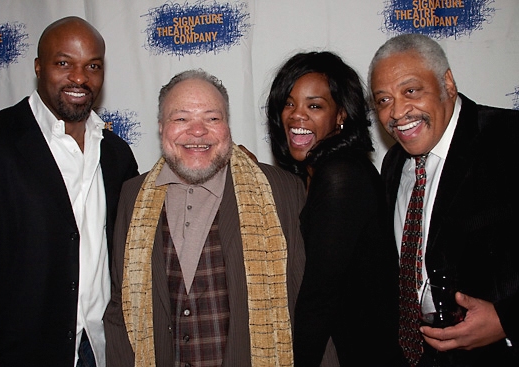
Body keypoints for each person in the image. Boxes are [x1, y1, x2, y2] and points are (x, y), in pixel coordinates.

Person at [103, 69, 337, 366]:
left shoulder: (282, 189)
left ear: (227, 126)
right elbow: (120, 311)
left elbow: (310, 304)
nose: (198, 131)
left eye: (212, 118)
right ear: (161, 127)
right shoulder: (132, 196)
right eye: (181, 118)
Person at [0, 16, 139, 367]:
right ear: (38, 67)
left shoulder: (117, 154)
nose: (79, 77)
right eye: (64, 63)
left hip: (100, 348)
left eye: (92, 65)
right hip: (19, 353)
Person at [368, 33, 519, 367]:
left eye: (411, 91)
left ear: (447, 83)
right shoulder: (393, 165)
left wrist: (507, 321)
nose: (398, 112)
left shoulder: (508, 139)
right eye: (382, 100)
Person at [266, 51, 402, 366]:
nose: (297, 116)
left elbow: (320, 297)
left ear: (340, 115)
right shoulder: (317, 171)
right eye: (289, 103)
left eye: (314, 106)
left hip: (367, 352)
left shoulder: (341, 175)